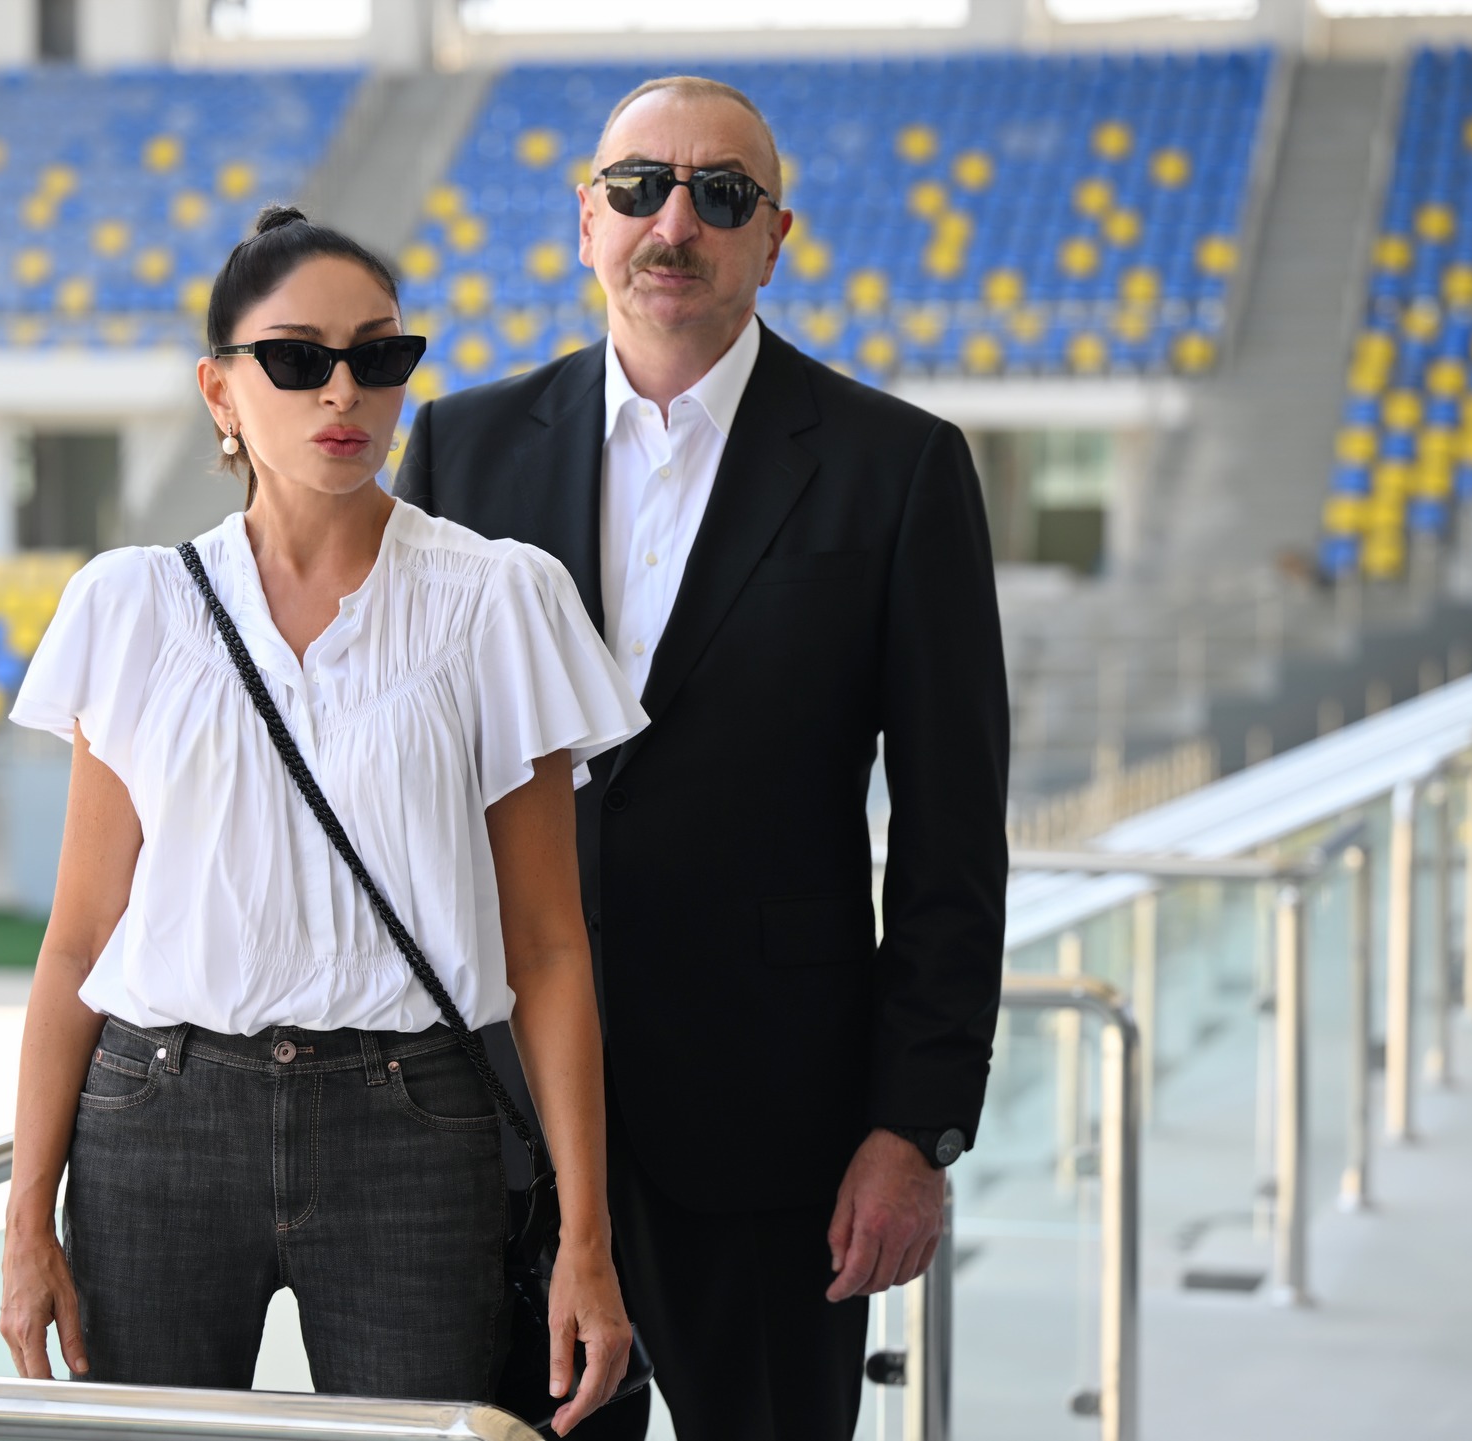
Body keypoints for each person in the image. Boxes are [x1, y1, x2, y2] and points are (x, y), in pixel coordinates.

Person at [395, 77, 1010, 1441]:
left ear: (774, 238)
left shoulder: (899, 468)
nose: (673, 223)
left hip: (779, 1132)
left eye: (720, 195)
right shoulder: (459, 449)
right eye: (638, 188)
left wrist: (914, 1127)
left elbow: (955, 833)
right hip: (502, 1127)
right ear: (586, 222)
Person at [0, 204, 642, 1436]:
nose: (343, 389)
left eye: (377, 356)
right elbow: (77, 939)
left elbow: (549, 948)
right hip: (157, 1116)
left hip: (412, 1123)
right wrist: (26, 1219)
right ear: (220, 392)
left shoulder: (499, 599)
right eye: (296, 359)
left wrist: (585, 1237)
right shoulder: (132, 606)